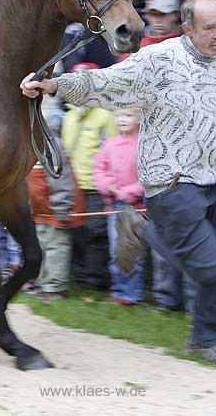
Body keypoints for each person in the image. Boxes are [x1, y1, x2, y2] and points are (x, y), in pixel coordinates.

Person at [21, 0, 216, 366]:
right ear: (186, 28)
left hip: (213, 180)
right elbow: (104, 84)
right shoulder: (157, 61)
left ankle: (203, 342)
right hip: (171, 182)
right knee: (209, 266)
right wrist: (54, 85)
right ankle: (140, 230)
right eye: (209, 27)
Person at [61, 62, 118, 291]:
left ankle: (97, 281)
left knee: (96, 232)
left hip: (95, 186)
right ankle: (81, 277)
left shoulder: (106, 115)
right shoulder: (70, 116)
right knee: (76, 232)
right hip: (73, 185)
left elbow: (112, 150)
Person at [26, 95, 83, 302]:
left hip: (57, 207)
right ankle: (41, 281)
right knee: (40, 245)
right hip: (39, 210)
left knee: (56, 246)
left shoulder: (52, 146)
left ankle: (55, 286)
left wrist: (62, 205)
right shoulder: (31, 145)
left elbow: (62, 179)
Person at [93, 108, 147, 305]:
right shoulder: (109, 144)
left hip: (137, 208)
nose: (122, 120)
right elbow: (99, 170)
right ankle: (119, 290)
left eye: (128, 116)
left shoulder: (145, 144)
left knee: (130, 250)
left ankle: (131, 294)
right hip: (114, 206)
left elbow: (151, 177)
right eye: (118, 116)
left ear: (139, 119)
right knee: (115, 250)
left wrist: (129, 192)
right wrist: (109, 186)